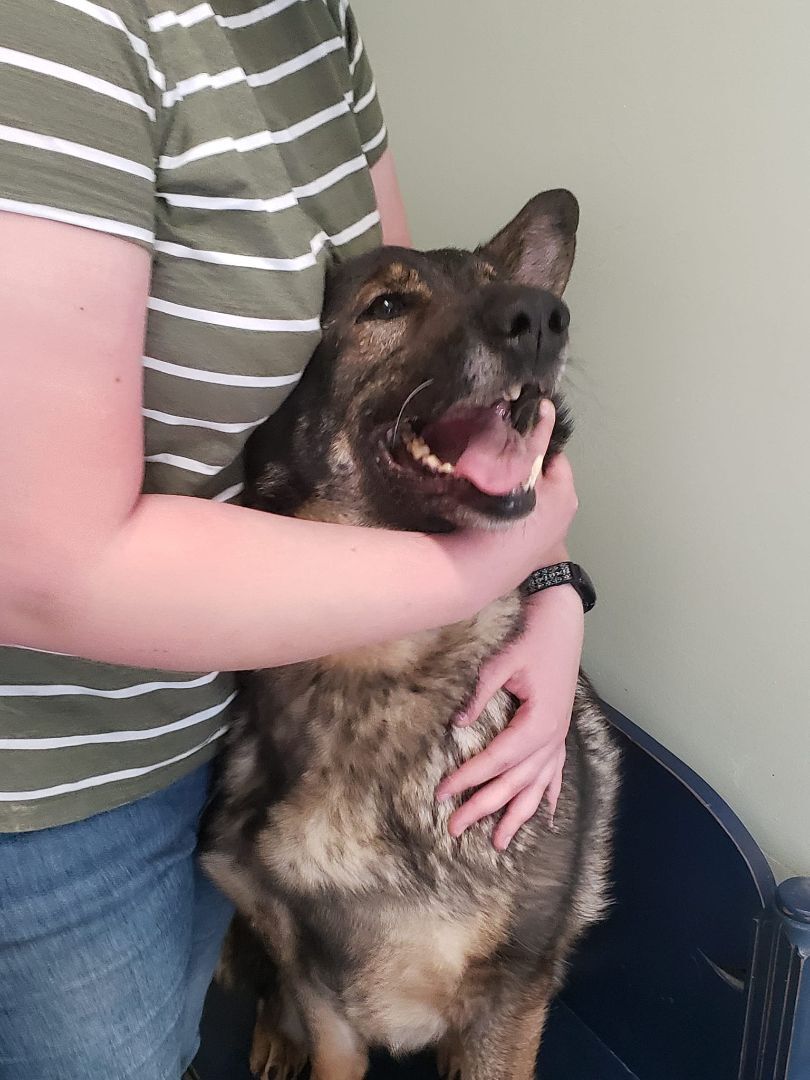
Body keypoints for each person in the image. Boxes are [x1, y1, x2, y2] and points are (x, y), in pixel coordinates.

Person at [0, 2, 585, 1077]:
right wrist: (495, 563)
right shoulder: (56, 32)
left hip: (217, 709)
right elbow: (44, 567)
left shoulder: (317, 25)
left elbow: (419, 380)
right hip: (57, 776)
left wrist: (550, 584)